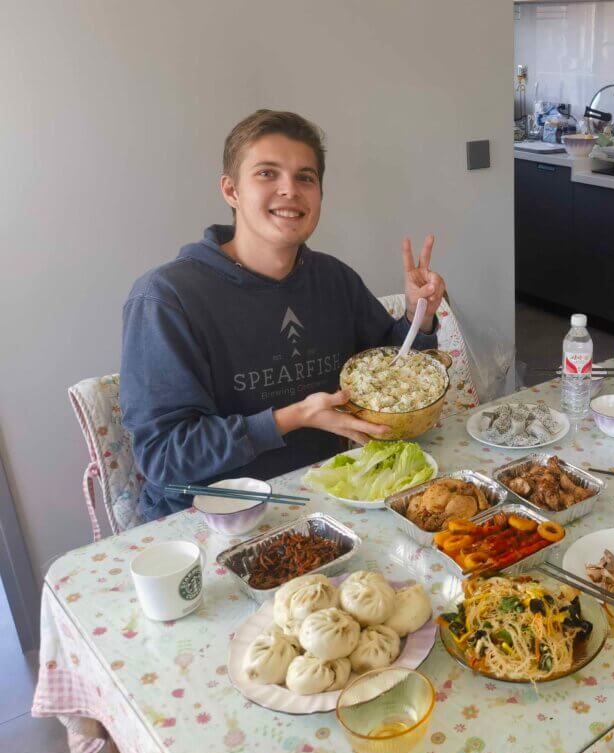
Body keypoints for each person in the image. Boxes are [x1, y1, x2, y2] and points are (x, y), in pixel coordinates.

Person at [121, 110, 446, 522]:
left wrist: (421, 317)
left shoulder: (332, 278)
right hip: (209, 519)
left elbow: (394, 370)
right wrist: (289, 419)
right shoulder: (166, 299)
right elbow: (164, 455)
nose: (289, 190)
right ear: (231, 190)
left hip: (329, 497)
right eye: (267, 173)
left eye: (305, 177)